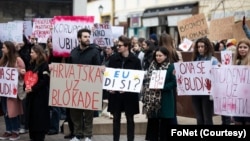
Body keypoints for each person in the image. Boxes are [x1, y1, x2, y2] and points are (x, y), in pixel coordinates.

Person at [67, 28, 101, 141]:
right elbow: (68, 69)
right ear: (79, 38)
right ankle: (77, 134)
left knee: (88, 114)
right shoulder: (73, 52)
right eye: (85, 37)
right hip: (75, 87)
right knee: (75, 113)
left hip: (89, 87)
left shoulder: (94, 52)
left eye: (88, 36)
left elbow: (98, 69)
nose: (87, 39)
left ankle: (88, 135)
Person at [107, 35, 141, 141]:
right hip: (116, 94)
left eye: (120, 45)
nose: (118, 47)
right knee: (115, 118)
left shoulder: (135, 60)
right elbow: (109, 74)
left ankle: (130, 139)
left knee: (130, 119)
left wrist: (129, 88)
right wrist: (109, 87)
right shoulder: (113, 58)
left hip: (129, 95)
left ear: (127, 46)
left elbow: (138, 78)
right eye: (117, 45)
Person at [143, 47, 177, 141]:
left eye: (160, 55)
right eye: (156, 55)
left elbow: (174, 83)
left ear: (166, 56)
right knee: (153, 123)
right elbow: (147, 79)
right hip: (152, 101)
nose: (158, 57)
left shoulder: (171, 67)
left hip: (165, 99)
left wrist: (162, 87)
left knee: (164, 124)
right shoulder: (152, 66)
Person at [0, 41, 26, 141]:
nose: (2, 49)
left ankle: (15, 130)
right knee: (6, 111)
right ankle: (8, 130)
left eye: (4, 48)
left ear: (9, 49)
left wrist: (19, 71)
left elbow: (23, 73)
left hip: (13, 91)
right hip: (4, 91)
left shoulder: (18, 60)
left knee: (12, 111)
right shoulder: (3, 60)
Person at [191, 37, 219, 125]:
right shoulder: (195, 59)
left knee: (207, 119)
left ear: (207, 47)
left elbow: (217, 77)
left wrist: (216, 69)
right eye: (198, 47)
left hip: (207, 93)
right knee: (199, 118)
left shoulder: (213, 60)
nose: (200, 49)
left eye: (202, 46)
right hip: (196, 93)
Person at [25, 45, 50, 141]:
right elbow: (27, 78)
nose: (30, 54)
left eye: (32, 52)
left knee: (39, 118)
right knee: (31, 118)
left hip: (40, 97)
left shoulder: (44, 65)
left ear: (38, 53)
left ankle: (39, 136)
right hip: (31, 97)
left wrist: (33, 89)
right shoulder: (31, 64)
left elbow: (44, 81)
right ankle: (32, 136)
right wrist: (26, 87)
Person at [45, 37, 63, 135]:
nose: (49, 43)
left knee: (56, 107)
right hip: (50, 81)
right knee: (52, 106)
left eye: (51, 41)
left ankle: (54, 128)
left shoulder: (58, 54)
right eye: (48, 42)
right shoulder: (49, 54)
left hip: (57, 81)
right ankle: (51, 126)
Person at [232, 38, 250, 125]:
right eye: (240, 47)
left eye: (245, 47)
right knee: (238, 122)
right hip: (238, 99)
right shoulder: (236, 62)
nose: (242, 49)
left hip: (248, 99)